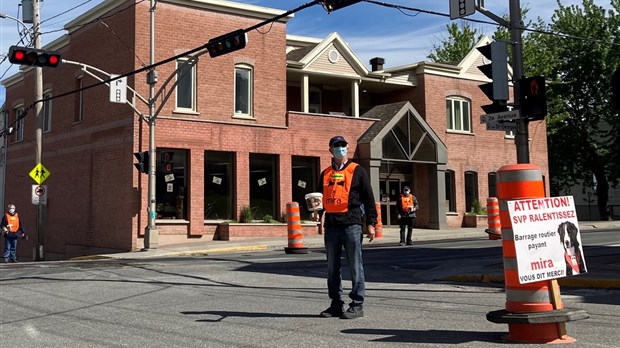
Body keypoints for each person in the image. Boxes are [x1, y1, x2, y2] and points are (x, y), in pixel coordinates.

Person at [318, 135, 377, 320]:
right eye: (336, 146)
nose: (340, 148)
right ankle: (336, 304)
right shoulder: (325, 173)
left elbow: (369, 198)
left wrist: (371, 223)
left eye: (343, 145)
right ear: (330, 150)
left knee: (355, 265)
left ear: (347, 148)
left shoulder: (358, 171)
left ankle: (357, 305)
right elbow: (319, 199)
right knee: (332, 268)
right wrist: (318, 215)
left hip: (352, 224)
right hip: (332, 226)